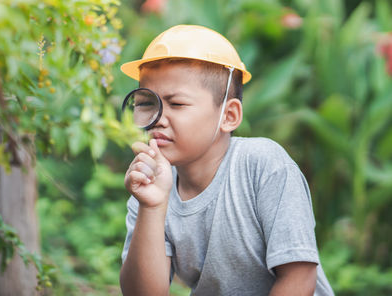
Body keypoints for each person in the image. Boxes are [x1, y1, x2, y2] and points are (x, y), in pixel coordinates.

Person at [118, 24, 334, 295]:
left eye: (178, 104)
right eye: (147, 103)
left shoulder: (263, 166)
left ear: (229, 116)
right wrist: (151, 207)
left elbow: (299, 279)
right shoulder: (151, 188)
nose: (157, 119)